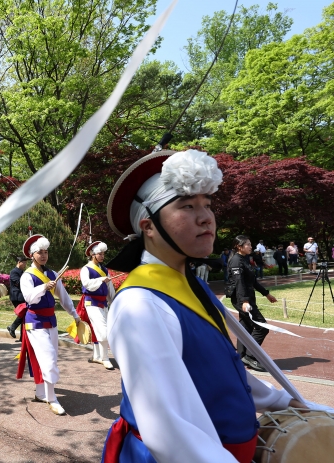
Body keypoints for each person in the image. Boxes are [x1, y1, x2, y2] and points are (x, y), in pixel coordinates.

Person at [101, 149, 310, 463]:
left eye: (207, 205)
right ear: (148, 227)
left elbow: (220, 369)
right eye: (187, 206)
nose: (205, 217)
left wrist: (281, 401)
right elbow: (167, 430)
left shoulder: (192, 285)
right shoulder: (139, 304)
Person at [16, 234, 81, 416]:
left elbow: (64, 297)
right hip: (34, 322)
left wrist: (75, 315)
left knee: (47, 358)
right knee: (49, 359)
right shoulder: (27, 276)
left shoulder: (52, 274)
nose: (44, 255)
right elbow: (28, 297)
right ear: (32, 255)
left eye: (46, 252)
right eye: (40, 252)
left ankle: (40, 392)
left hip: (51, 321)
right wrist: (44, 287)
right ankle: (52, 398)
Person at [228, 235, 277, 372]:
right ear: (239, 246)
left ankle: (241, 357)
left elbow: (253, 281)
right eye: (248, 244)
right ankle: (250, 356)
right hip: (241, 299)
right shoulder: (236, 261)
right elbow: (239, 283)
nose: (251, 247)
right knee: (262, 327)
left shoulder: (244, 259)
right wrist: (244, 301)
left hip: (247, 297)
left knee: (245, 328)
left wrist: (266, 294)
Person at [78, 241, 115, 370]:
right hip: (91, 302)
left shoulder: (104, 269)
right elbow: (87, 284)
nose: (102, 256)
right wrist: (100, 280)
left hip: (103, 302)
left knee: (99, 329)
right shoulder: (85, 269)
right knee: (103, 330)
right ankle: (105, 358)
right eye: (100, 254)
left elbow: (110, 287)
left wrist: (113, 301)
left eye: (103, 254)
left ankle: (97, 356)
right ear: (93, 254)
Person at [6, 256, 28, 341]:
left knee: (24, 317)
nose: (25, 264)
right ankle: (12, 327)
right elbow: (19, 283)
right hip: (17, 296)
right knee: (23, 314)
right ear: (19, 262)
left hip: (21, 296)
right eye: (24, 263)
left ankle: (22, 337)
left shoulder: (23, 272)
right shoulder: (14, 272)